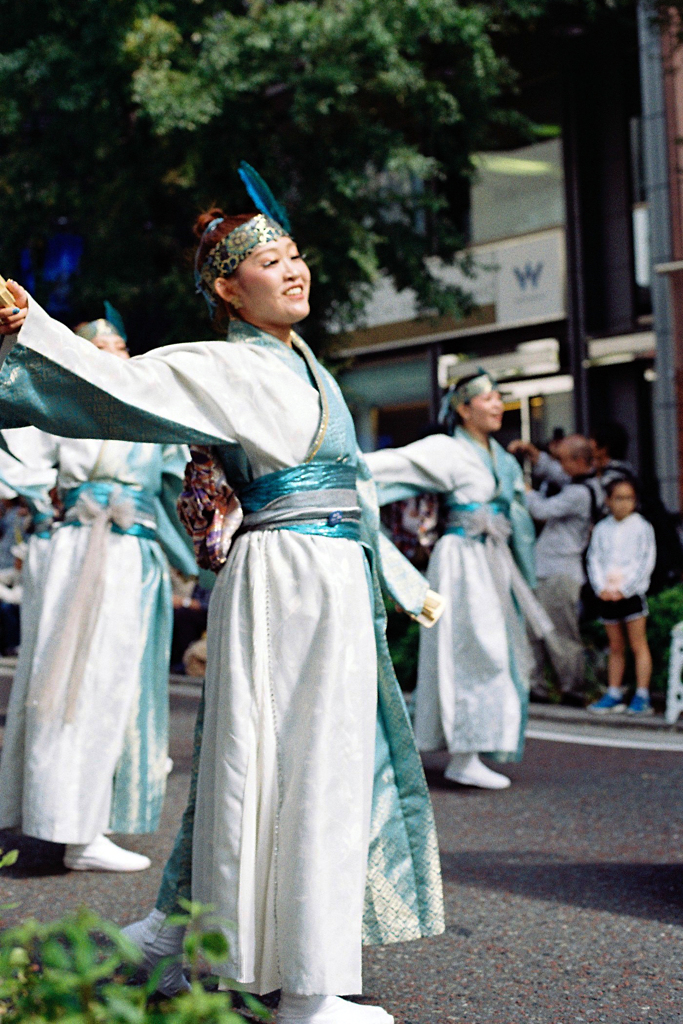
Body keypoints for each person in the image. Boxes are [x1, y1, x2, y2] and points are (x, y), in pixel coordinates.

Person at [0, 167, 444, 1023]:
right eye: (270, 260)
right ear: (225, 288)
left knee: (280, 762)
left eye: (296, 254)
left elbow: (347, 492)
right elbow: (120, 385)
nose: (293, 268)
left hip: (319, 576)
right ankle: (308, 990)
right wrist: (34, 327)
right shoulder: (222, 366)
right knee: (305, 764)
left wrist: (400, 580)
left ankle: (191, 937)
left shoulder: (303, 366)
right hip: (288, 578)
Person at [0, 312, 198, 873]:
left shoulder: (148, 408)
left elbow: (173, 491)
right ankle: (69, 827)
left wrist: (195, 562)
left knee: (119, 685)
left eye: (123, 344)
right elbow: (17, 457)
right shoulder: (61, 405)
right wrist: (47, 505)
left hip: (132, 555)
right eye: (102, 346)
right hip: (82, 552)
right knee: (73, 682)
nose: (117, 351)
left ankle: (87, 819)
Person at [365, 372, 552, 790]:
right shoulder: (448, 450)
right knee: (469, 649)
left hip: (489, 560)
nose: (496, 403)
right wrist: (333, 466)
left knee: (495, 650)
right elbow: (387, 465)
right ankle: (463, 754)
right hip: (461, 561)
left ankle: (472, 749)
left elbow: (517, 512)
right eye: (486, 398)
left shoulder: (498, 456)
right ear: (464, 409)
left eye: (498, 396)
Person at [522, 435, 595, 705]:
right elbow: (558, 474)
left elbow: (542, 510)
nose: (559, 467)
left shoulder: (579, 493)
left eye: (563, 460)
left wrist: (526, 491)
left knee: (560, 634)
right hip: (547, 569)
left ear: (579, 461)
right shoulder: (579, 484)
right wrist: (535, 455)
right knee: (534, 631)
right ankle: (537, 685)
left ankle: (572, 689)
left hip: (561, 571)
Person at [587, 477, 656, 715]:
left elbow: (645, 561)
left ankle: (642, 695)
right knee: (615, 646)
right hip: (607, 594)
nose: (623, 504)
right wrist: (601, 588)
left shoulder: (642, 527)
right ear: (608, 500)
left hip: (631, 594)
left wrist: (625, 590)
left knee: (638, 644)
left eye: (628, 498)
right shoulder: (602, 528)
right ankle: (614, 692)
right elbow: (594, 558)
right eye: (618, 498)